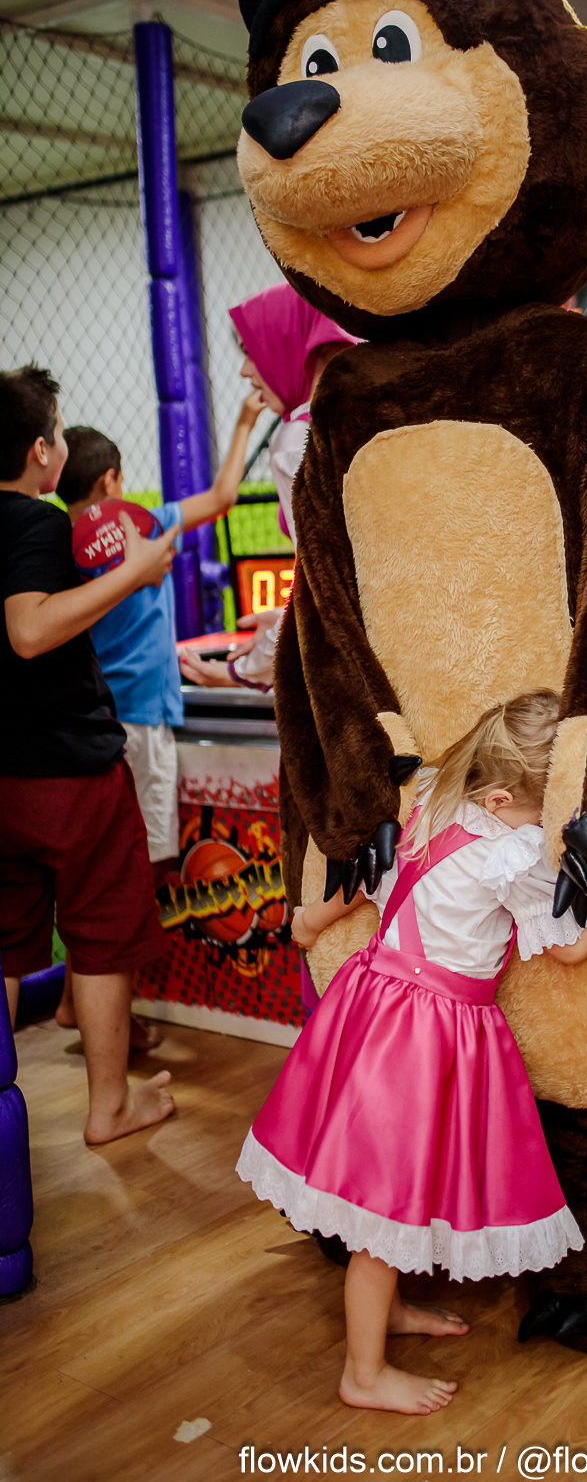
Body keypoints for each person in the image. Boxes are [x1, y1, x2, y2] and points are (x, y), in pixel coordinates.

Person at [236, 690, 587, 1414]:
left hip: (371, 1007)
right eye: (547, 811)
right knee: (383, 1208)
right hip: (425, 1035)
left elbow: (366, 883)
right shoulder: (512, 855)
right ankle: (363, 1373)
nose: (553, 826)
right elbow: (573, 946)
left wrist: (309, 920)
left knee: (391, 1186)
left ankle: (387, 1312)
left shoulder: (428, 801)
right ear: (503, 798)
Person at [0, 365, 179, 1142]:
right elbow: (29, 629)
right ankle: (109, 1106)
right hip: (67, 767)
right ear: (42, 451)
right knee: (102, 935)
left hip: (4, 776)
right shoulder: (38, 523)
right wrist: (135, 572)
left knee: (7, 943)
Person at [55, 398, 265, 886]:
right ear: (111, 480)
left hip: (93, 717)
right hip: (145, 718)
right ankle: (154, 934)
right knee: (156, 856)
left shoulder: (59, 544)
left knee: (106, 848)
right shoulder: (146, 525)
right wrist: (244, 422)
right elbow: (222, 497)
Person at [178, 284, 359, 692]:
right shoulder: (358, 415)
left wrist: (245, 670)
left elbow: (322, 590)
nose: (245, 370)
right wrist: (284, 621)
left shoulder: (297, 440)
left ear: (285, 345)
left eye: (250, 350)